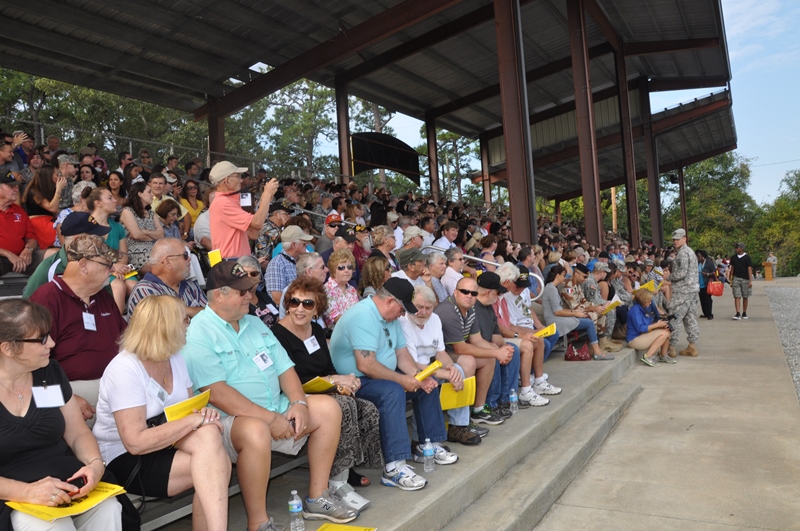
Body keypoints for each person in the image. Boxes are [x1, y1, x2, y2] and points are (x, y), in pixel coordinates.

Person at [183, 261, 358, 524]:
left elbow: (285, 368)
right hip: (227, 421)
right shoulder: (199, 331)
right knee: (256, 430)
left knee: (328, 408)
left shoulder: (254, 322)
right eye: (242, 291)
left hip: (274, 407)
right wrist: (270, 418)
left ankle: (317, 497)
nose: (250, 296)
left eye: (251, 289)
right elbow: (217, 393)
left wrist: (298, 402)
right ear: (219, 295)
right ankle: (259, 523)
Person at [92, 296, 230, 531]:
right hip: (124, 457)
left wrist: (202, 415)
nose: (188, 324)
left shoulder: (174, 357)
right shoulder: (124, 369)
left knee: (209, 441)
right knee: (218, 464)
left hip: (165, 442)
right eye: (184, 320)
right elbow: (135, 443)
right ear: (166, 327)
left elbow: (187, 410)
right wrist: (193, 421)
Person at [0, 299, 122, 530]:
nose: (52, 343)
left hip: (64, 480)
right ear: (8, 348)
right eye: (41, 339)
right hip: (11, 494)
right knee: (54, 525)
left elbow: (77, 433)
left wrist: (95, 464)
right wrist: (28, 492)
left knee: (109, 509)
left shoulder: (50, 373)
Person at [330, 278, 454, 492]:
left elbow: (402, 354)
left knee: (426, 384)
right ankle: (394, 467)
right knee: (393, 391)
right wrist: (402, 380)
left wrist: (418, 376)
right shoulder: (363, 316)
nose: (403, 314)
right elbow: (366, 365)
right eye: (402, 309)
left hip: (376, 376)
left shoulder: (390, 318)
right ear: (389, 302)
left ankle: (428, 445)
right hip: (354, 381)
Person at [272, 277, 382, 511]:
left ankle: (344, 472)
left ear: (317, 308)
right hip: (295, 395)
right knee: (344, 406)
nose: (300, 308)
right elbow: (287, 380)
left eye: (307, 304)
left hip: (322, 390)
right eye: (294, 302)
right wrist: (333, 381)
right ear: (287, 305)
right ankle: (336, 482)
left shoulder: (316, 330)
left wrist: (344, 381)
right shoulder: (277, 334)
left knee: (366, 407)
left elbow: (327, 368)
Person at [29, 235, 127, 422]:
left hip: (115, 386)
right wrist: (65, 397)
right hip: (72, 392)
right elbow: (30, 365)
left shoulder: (102, 297)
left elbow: (127, 339)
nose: (113, 269)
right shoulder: (47, 298)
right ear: (83, 265)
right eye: (107, 264)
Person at [399, 286, 482, 446]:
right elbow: (412, 363)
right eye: (419, 307)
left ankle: (458, 426)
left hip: (430, 366)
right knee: (430, 383)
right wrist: (444, 374)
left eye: (428, 308)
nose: (423, 312)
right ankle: (422, 439)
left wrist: (451, 368)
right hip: (411, 369)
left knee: (458, 371)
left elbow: (441, 353)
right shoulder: (403, 322)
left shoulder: (435, 319)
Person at [434, 277, 506, 425]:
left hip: (451, 352)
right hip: (437, 355)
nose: (469, 296)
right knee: (468, 361)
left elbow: (477, 340)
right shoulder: (448, 311)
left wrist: (498, 350)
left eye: (473, 293)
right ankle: (461, 418)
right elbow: (460, 348)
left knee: (489, 358)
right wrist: (496, 352)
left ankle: (478, 410)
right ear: (455, 292)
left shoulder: (470, 309)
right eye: (465, 292)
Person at [541, 265, 614, 361]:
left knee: (600, 313)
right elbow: (558, 311)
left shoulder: (555, 287)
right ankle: (596, 351)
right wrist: (576, 313)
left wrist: (599, 306)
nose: (564, 277)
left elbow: (582, 302)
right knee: (590, 321)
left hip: (562, 316)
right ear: (557, 275)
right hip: (556, 319)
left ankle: (600, 343)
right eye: (563, 275)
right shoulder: (555, 288)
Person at [208, 161, 278, 260]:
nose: (241, 180)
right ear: (227, 181)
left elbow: (253, 233)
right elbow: (257, 223)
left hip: (233, 261)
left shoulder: (225, 201)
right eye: (237, 176)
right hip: (231, 263)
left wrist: (266, 197)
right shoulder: (223, 203)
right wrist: (266, 194)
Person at [127, 238, 207, 316]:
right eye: (185, 255)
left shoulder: (192, 286)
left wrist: (180, 311)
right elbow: (161, 322)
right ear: (168, 262)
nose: (189, 259)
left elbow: (210, 315)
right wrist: (190, 311)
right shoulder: (144, 290)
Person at [664, 229, 700, 357]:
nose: (675, 241)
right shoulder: (690, 251)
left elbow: (681, 273)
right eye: (674, 239)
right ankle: (692, 345)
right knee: (690, 317)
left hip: (683, 290)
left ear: (684, 239)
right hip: (692, 289)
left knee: (675, 316)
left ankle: (671, 347)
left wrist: (668, 277)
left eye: (678, 239)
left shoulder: (683, 253)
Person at [119, 181, 163, 273]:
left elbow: (161, 235)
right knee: (164, 267)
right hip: (136, 254)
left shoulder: (151, 213)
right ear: (140, 194)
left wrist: (146, 232)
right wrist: (153, 236)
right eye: (149, 192)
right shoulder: (127, 211)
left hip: (155, 252)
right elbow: (136, 235)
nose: (152, 195)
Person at [21, 163, 65, 250]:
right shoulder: (35, 191)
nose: (59, 177)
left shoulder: (49, 190)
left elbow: (55, 212)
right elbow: (52, 208)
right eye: (57, 175)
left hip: (50, 220)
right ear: (48, 176)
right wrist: (59, 189)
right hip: (38, 223)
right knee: (62, 233)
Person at [265, 225, 313, 302]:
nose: (306, 244)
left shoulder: (301, 260)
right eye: (304, 242)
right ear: (293, 244)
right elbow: (277, 298)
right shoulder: (277, 264)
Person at [627, 289, 673, 367]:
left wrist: (659, 324)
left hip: (643, 335)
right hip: (634, 340)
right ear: (643, 301)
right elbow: (640, 328)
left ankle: (663, 355)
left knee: (667, 330)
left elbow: (648, 324)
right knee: (664, 333)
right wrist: (657, 325)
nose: (650, 302)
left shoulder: (646, 308)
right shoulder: (635, 310)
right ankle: (648, 356)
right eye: (649, 301)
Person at [323, 249, 359, 329]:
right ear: (333, 270)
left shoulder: (352, 290)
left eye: (349, 267)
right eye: (341, 267)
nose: (346, 270)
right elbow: (335, 318)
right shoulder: (327, 290)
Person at [728, 242, 753, 321]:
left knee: (745, 296)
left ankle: (744, 312)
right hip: (736, 278)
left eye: (737, 247)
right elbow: (732, 268)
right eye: (735, 247)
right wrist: (731, 279)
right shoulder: (733, 258)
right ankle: (738, 313)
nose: (736, 248)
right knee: (737, 295)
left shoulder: (747, 258)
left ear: (742, 248)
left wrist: (750, 281)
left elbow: (749, 269)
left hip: (745, 279)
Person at [697, 250, 716, 320]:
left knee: (707, 299)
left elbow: (714, 273)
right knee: (702, 299)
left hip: (707, 284)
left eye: (699, 256)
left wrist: (707, 274)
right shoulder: (697, 263)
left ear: (703, 256)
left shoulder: (709, 263)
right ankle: (705, 313)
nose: (697, 257)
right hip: (699, 284)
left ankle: (709, 314)